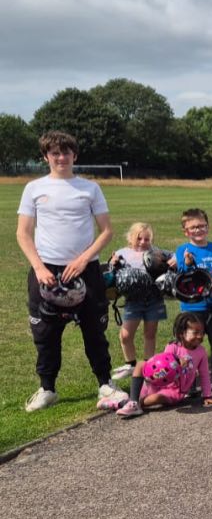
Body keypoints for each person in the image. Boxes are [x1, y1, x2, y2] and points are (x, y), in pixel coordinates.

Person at [17, 130, 125, 412]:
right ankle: (47, 388)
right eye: (55, 153)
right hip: (46, 271)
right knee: (46, 333)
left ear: (74, 155)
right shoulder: (34, 188)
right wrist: (39, 267)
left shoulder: (90, 188)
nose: (61, 157)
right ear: (45, 157)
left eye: (66, 152)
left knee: (94, 330)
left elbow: (106, 231)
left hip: (86, 268)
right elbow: (23, 234)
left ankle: (105, 382)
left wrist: (83, 259)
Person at [173, 207, 212, 393]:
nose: (198, 230)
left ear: (208, 227)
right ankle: (190, 380)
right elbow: (181, 275)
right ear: (186, 231)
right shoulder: (183, 250)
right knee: (190, 343)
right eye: (193, 227)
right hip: (193, 306)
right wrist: (188, 263)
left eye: (202, 226)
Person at [115, 313, 212, 418]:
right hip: (157, 383)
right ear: (182, 333)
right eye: (195, 332)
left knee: (156, 398)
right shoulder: (172, 346)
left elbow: (205, 374)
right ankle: (133, 402)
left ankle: (124, 404)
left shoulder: (201, 352)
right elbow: (163, 367)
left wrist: (207, 396)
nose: (200, 336)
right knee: (140, 364)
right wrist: (177, 364)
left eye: (202, 332)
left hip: (174, 392)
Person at [109, 222, 168, 380]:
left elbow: (172, 256)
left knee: (150, 333)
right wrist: (113, 262)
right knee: (126, 335)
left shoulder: (155, 252)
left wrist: (173, 260)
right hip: (133, 300)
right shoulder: (122, 253)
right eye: (139, 238)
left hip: (154, 298)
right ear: (130, 238)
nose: (143, 242)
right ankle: (131, 364)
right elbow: (111, 270)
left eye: (147, 239)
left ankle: (149, 365)